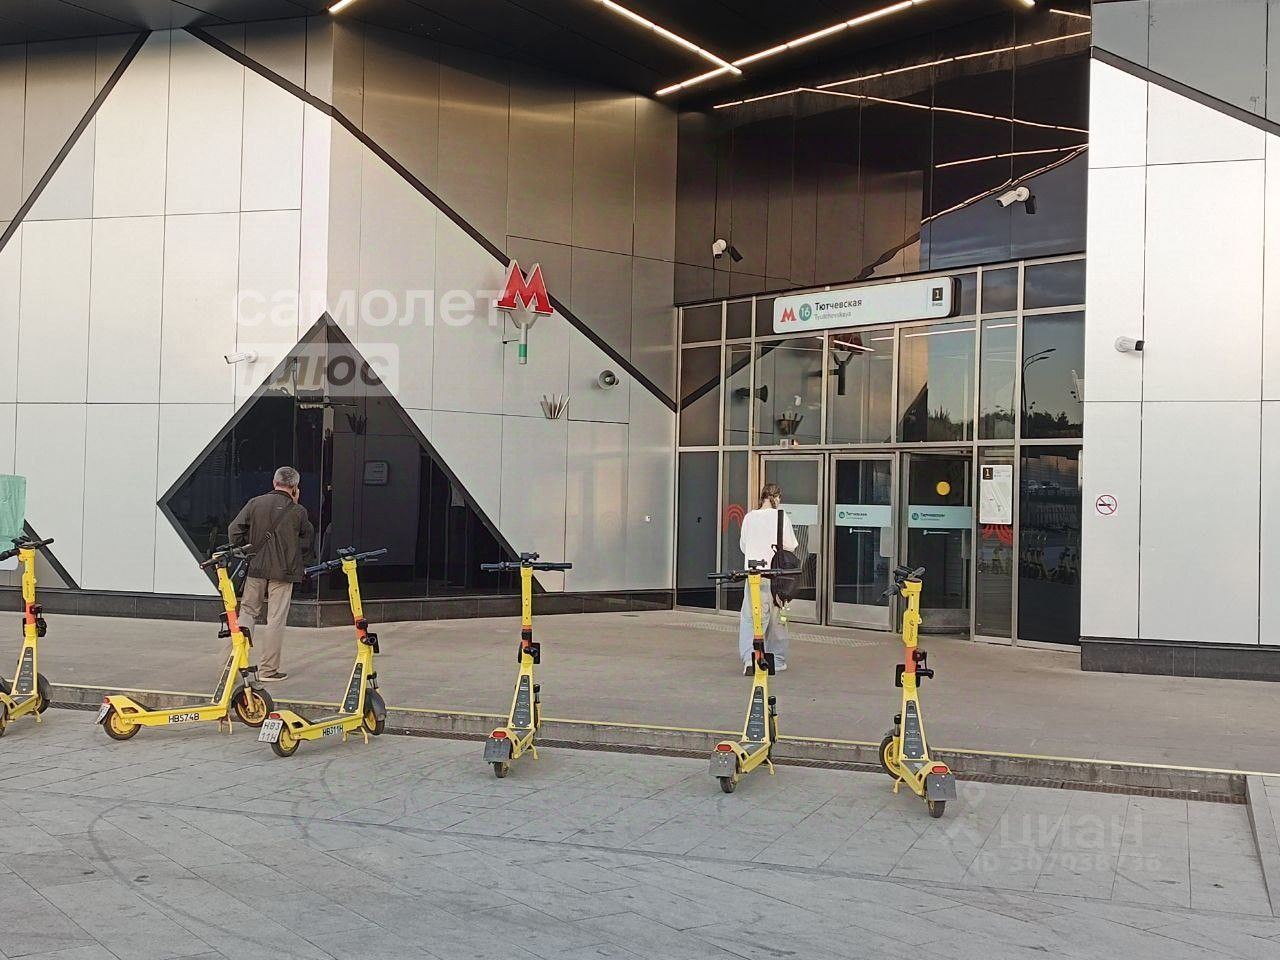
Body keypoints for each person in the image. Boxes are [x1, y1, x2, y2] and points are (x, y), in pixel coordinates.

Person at [228, 466, 314, 682]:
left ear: (274, 482)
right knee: (275, 618)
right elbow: (307, 541)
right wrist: (299, 560)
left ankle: (237, 664)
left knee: (247, 612)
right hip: (284, 572)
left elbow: (234, 530)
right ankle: (268, 670)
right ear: (295, 487)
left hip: (256, 568)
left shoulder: (255, 503)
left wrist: (245, 549)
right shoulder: (299, 511)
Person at [737, 482, 800, 675]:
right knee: (776, 619)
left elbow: (743, 546)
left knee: (751, 618)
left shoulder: (749, 517)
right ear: (777, 498)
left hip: (753, 574)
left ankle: (750, 659)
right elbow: (791, 545)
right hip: (775, 575)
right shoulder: (781, 517)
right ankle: (777, 659)